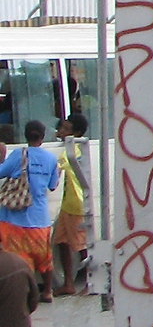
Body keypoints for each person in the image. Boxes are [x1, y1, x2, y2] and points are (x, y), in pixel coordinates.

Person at [0, 122, 61, 300]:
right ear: (42, 137)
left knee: (17, 258)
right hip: (40, 219)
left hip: (14, 219)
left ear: (25, 136)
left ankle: (23, 292)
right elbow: (52, 186)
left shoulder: (19, 154)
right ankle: (48, 291)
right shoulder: (50, 159)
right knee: (44, 258)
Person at [51, 114, 90, 297]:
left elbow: (61, 165)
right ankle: (69, 283)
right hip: (68, 204)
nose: (61, 131)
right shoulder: (71, 147)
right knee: (61, 242)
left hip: (77, 204)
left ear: (77, 133)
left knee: (82, 246)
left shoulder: (73, 149)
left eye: (66, 129)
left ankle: (92, 281)